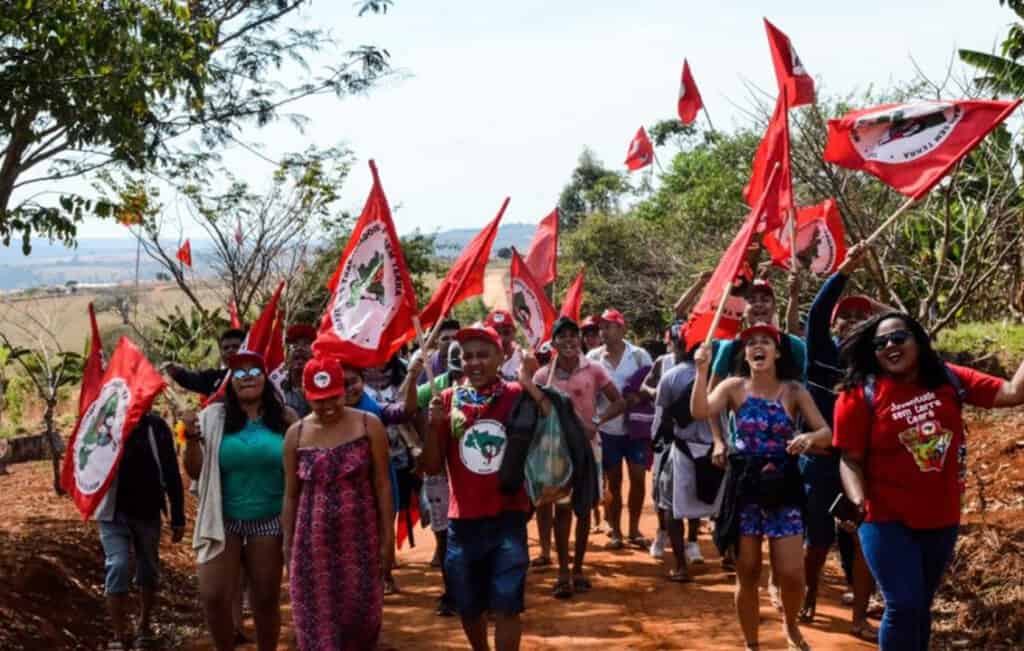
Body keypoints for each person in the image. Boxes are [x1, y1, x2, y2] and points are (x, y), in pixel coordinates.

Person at [833, 311, 1024, 651]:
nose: (890, 346)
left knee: (920, 605)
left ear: (917, 341)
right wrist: (858, 499)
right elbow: (850, 459)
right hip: (884, 518)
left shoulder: (948, 378)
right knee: (902, 604)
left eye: (898, 338)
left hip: (941, 516)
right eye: (880, 343)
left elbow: (1012, 391)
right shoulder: (859, 394)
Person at [691, 324, 831, 651]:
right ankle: (751, 643)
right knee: (748, 571)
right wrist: (701, 370)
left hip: (785, 486)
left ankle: (791, 626)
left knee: (792, 572)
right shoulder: (732, 387)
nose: (758, 347)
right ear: (745, 354)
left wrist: (808, 438)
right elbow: (700, 411)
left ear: (777, 352)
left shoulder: (794, 391)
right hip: (745, 487)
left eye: (765, 342)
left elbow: (825, 431)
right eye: (751, 343)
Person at [419, 322, 551, 651]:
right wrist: (435, 426)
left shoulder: (517, 395)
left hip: (508, 516)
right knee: (469, 605)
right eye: (466, 357)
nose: (474, 362)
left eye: (482, 355)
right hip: (462, 522)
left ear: (499, 356)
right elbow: (432, 466)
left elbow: (552, 419)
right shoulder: (446, 400)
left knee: (507, 605)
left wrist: (529, 383)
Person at [183, 351, 298, 651]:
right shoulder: (212, 418)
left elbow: (301, 466)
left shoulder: (285, 419)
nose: (247, 377)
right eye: (239, 373)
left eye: (254, 371)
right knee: (213, 596)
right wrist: (192, 437)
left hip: (270, 520)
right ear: (230, 383)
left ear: (265, 378)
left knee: (265, 599)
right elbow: (194, 470)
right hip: (223, 519)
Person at [282, 355, 394, 651]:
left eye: (334, 397)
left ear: (344, 390)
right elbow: (291, 495)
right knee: (317, 632)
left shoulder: (370, 426)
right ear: (306, 396)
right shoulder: (296, 435)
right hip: (312, 548)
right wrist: (288, 547)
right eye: (319, 400)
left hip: (361, 543)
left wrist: (387, 540)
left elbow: (382, 485)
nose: (328, 406)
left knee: (362, 626)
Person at [798, 245, 877, 640]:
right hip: (819, 461)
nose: (853, 321)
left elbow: (913, 332)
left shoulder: (876, 365)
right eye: (846, 315)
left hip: (860, 463)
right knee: (817, 541)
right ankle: (809, 593)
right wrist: (843, 272)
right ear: (835, 323)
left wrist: (879, 309)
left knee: (861, 538)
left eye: (862, 317)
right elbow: (815, 314)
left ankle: (859, 616)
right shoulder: (820, 352)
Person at [532, 316, 625, 598]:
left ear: (580, 340)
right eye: (563, 336)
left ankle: (579, 569)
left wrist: (596, 420)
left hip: (588, 447)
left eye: (574, 336)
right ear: (554, 342)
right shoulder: (542, 376)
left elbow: (618, 401)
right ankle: (562, 571)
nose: (570, 340)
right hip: (556, 452)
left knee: (583, 508)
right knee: (561, 508)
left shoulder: (594, 370)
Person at [95, 412, 185, 651]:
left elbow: (170, 470)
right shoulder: (103, 424)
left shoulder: (155, 426)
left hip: (147, 510)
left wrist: (178, 515)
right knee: (117, 565)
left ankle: (143, 626)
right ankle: (119, 634)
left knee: (148, 568)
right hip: (112, 512)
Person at [652, 324, 721, 581]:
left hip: (684, 449)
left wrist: (657, 443)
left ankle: (681, 564)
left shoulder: (671, 377)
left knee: (674, 506)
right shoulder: (719, 376)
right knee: (712, 504)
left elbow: (661, 418)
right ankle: (727, 555)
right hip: (713, 448)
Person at [586, 308, 654, 550]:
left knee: (637, 479)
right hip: (607, 429)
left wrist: (638, 397)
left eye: (608, 326)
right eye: (601, 327)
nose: (603, 332)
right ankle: (615, 530)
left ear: (622, 329)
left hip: (635, 430)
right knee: (612, 483)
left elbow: (652, 384)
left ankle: (634, 529)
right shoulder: (593, 357)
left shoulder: (639, 355)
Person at [407, 341, 465, 616]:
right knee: (443, 535)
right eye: (456, 373)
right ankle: (451, 591)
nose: (461, 379)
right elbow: (405, 409)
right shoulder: (435, 387)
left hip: (471, 473)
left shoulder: (492, 388)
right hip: (439, 471)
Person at [163, 328, 246, 396]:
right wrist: (177, 372)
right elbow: (194, 379)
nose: (230, 350)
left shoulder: (255, 375)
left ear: (246, 348)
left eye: (235, 346)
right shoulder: (214, 378)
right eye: (226, 348)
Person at [281, 324, 316, 417]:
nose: (299, 348)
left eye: (306, 344)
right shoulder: (278, 386)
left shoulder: (323, 385)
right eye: (294, 344)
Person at [417, 318, 461, 384]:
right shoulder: (426, 366)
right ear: (436, 340)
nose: (451, 342)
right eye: (445, 339)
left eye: (455, 338)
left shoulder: (467, 362)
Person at [486, 309, 523, 382]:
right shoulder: (483, 363)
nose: (501, 338)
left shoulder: (525, 359)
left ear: (514, 332)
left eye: (506, 332)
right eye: (496, 333)